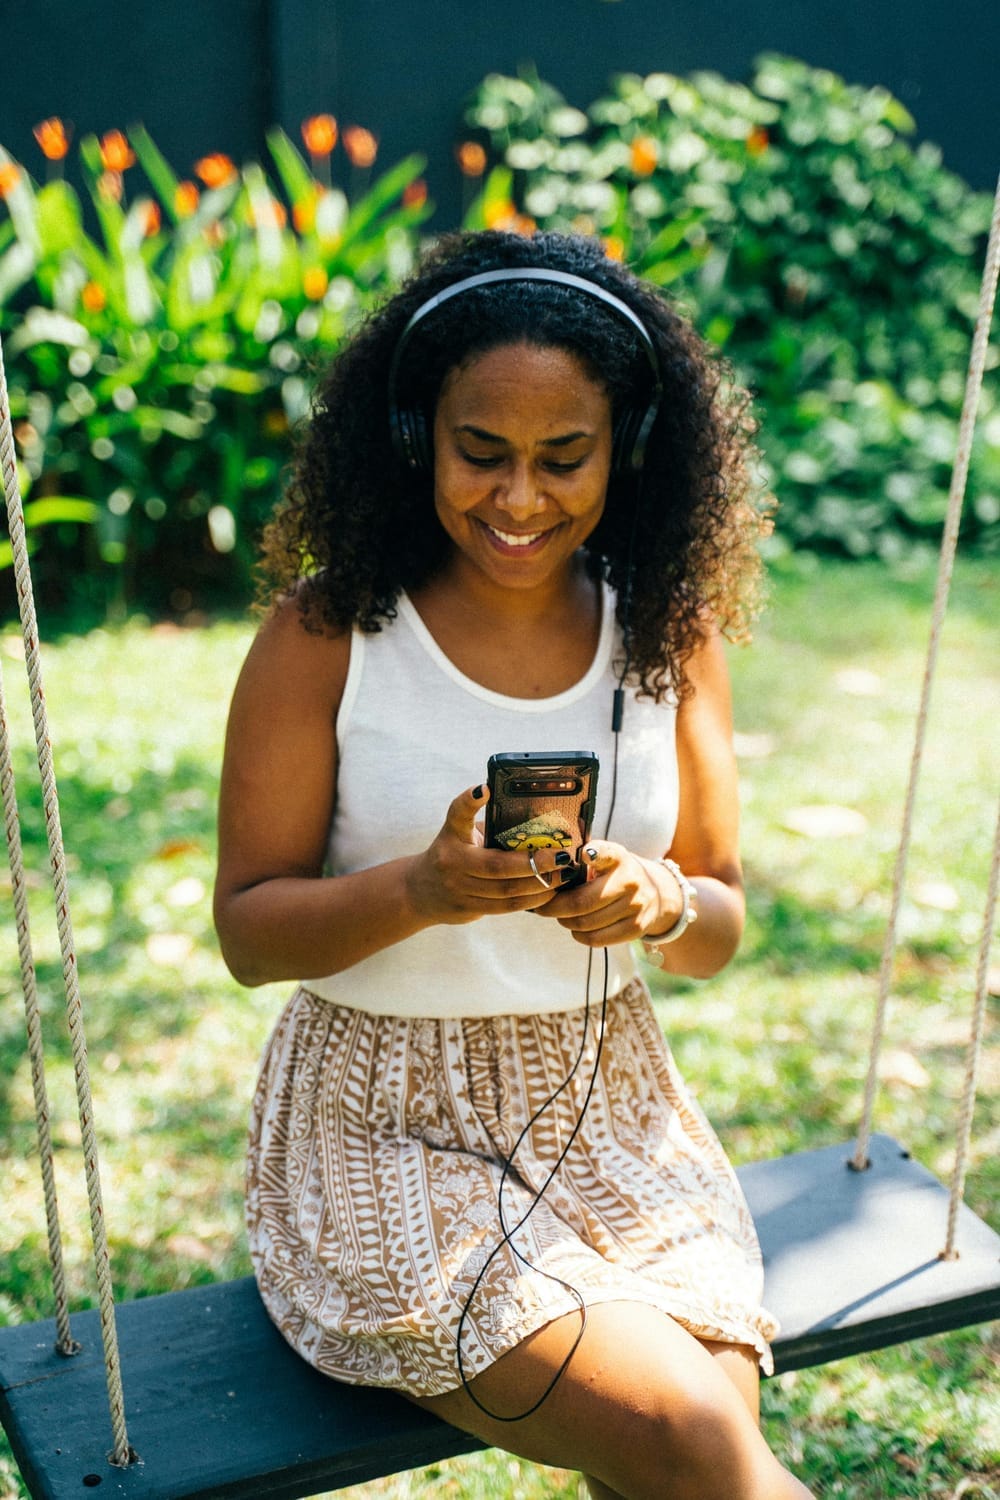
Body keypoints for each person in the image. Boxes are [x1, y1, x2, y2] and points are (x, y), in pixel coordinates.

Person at [214, 229, 813, 1500]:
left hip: (618, 1120)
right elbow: (250, 936)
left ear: (631, 451)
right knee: (695, 1444)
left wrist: (663, 899)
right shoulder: (332, 632)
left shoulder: (666, 630)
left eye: (564, 458)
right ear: (412, 439)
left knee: (691, 1435)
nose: (520, 500)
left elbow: (721, 921)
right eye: (480, 454)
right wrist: (415, 893)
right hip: (382, 1131)